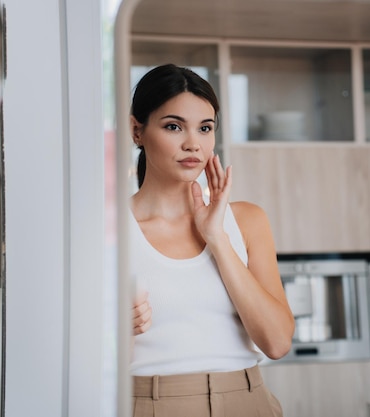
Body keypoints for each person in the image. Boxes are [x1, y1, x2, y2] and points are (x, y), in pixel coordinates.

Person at [128, 63, 295, 417]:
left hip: (248, 400)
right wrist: (111, 328)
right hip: (148, 403)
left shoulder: (247, 221)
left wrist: (217, 237)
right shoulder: (108, 229)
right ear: (136, 131)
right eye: (173, 126)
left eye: (205, 128)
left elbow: (277, 343)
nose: (193, 144)